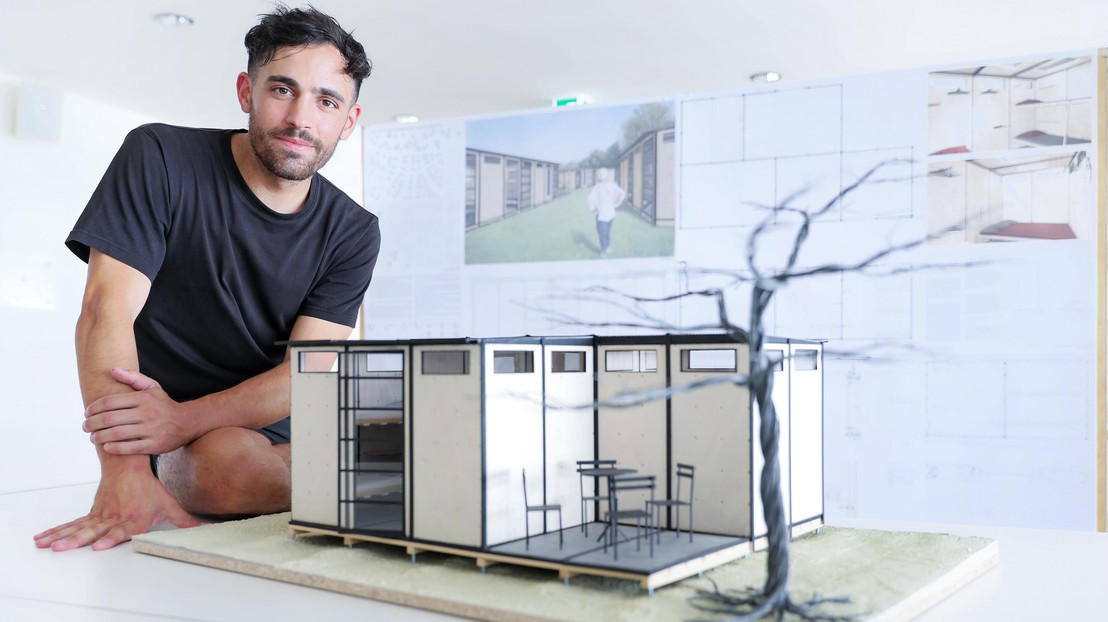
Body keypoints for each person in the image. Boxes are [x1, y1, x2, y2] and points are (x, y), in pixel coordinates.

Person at [33, 6, 379, 552]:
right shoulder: (160, 156)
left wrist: (183, 419)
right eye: (282, 90)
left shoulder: (354, 231)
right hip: (156, 424)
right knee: (208, 468)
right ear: (246, 91)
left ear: (348, 121)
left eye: (326, 101)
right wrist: (123, 473)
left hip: (267, 429)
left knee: (223, 469)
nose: (300, 119)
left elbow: (304, 373)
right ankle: (368, 484)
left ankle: (377, 489)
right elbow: (107, 310)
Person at [588, 169, 626, 258]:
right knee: (607, 232)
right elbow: (622, 194)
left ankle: (604, 250)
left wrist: (594, 210)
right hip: (611, 213)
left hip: (601, 214)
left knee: (601, 233)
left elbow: (589, 199)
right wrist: (616, 204)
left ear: (598, 177)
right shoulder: (612, 186)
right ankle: (607, 247)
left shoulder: (596, 188)